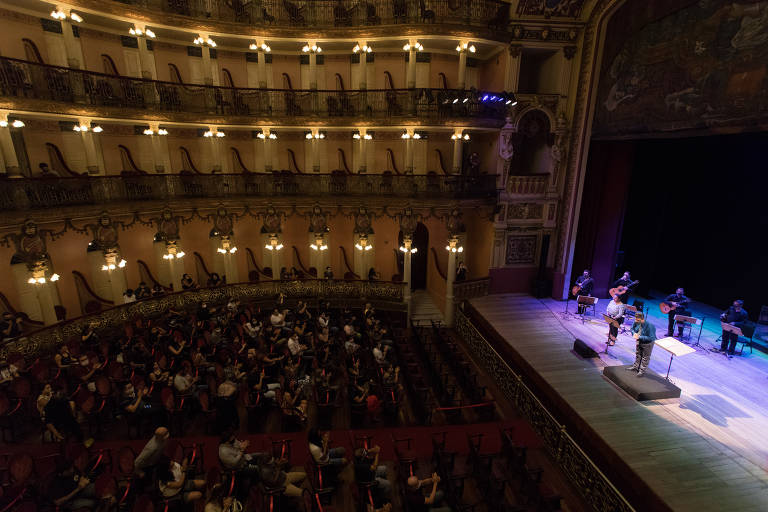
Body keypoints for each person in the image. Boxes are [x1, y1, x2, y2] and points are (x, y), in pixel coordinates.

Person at [627, 312, 656, 377]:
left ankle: (642, 371)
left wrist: (639, 337)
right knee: (638, 354)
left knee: (645, 357)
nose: (636, 321)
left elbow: (652, 337)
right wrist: (634, 333)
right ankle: (636, 366)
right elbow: (632, 329)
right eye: (636, 319)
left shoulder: (650, 326)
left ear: (642, 319)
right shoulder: (636, 322)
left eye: (638, 320)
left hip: (648, 343)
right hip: (639, 340)